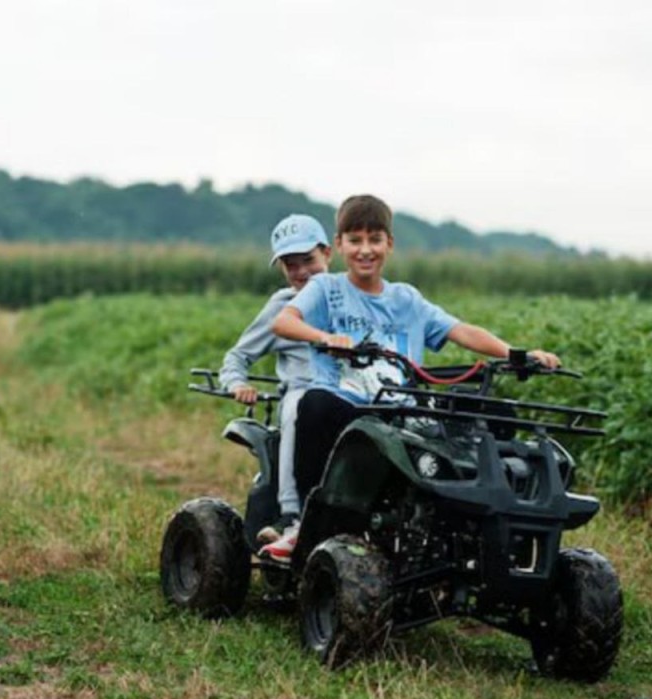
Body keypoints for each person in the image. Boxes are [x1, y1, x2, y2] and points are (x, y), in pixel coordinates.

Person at [259, 194, 561, 563]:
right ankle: (302, 525)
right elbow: (284, 321)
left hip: (400, 409)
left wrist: (517, 354)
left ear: (389, 244)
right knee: (314, 404)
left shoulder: (407, 300)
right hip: (345, 405)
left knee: (493, 412)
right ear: (339, 246)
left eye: (375, 240)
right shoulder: (326, 289)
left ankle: (484, 533)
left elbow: (461, 330)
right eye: (355, 240)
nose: (365, 250)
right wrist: (326, 338)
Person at [218, 213, 332, 542]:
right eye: (290, 265)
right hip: (303, 391)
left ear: (327, 253)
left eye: (307, 260)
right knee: (299, 406)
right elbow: (237, 356)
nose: (301, 272)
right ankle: (291, 515)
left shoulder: (349, 298)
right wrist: (237, 383)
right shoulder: (282, 306)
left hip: (347, 393)